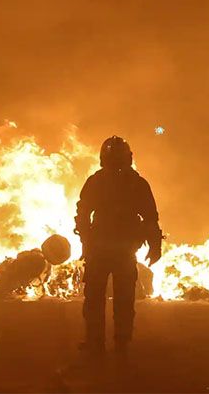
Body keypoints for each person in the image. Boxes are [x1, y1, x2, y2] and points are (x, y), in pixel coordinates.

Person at [74, 136, 162, 355]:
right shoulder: (137, 183)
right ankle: (121, 342)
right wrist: (154, 245)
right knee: (123, 299)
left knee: (95, 299)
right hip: (122, 250)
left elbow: (83, 213)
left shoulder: (97, 181)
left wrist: (86, 240)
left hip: (101, 250)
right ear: (128, 157)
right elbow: (150, 218)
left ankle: (97, 343)